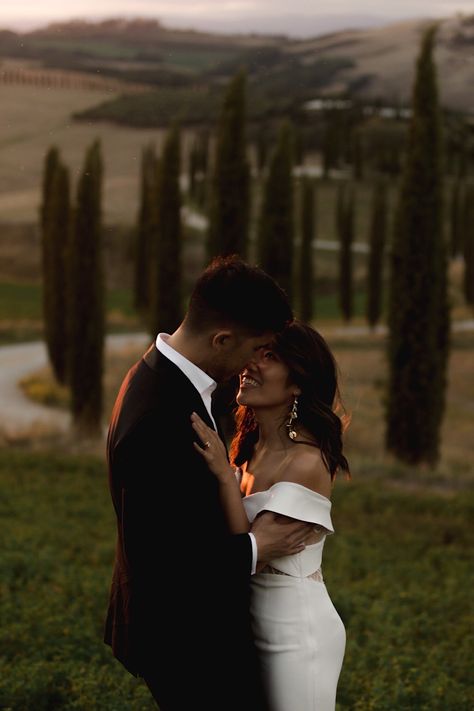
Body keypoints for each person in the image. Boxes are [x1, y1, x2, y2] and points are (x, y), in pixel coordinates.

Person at [103, 255, 315, 711]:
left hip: (196, 626)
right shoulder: (158, 419)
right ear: (222, 339)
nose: (255, 362)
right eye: (256, 348)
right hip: (185, 638)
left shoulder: (165, 379)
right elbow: (165, 560)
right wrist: (257, 547)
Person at [191, 320, 350, 711]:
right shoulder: (248, 451)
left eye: (271, 356)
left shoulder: (307, 461)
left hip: (296, 631)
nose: (252, 364)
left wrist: (224, 480)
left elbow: (253, 548)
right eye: (255, 352)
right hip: (250, 623)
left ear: (297, 383)